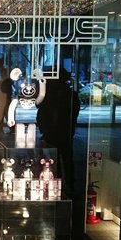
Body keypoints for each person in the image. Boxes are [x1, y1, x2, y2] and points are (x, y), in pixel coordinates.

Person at [36, 68, 80, 196]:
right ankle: (67, 185)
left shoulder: (50, 93)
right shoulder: (70, 94)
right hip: (63, 131)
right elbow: (74, 113)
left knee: (54, 160)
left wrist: (45, 127)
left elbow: (40, 108)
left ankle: (58, 185)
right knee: (66, 159)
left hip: (54, 132)